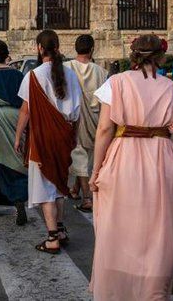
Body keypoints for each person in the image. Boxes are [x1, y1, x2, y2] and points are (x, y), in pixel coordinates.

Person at [89, 34, 173, 300]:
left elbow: (104, 130)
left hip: (122, 157)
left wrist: (95, 171)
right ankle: (152, 292)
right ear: (160, 57)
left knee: (117, 226)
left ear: (132, 55)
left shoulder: (115, 83)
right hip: (161, 160)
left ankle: (116, 291)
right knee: (158, 231)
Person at [14, 29, 82, 254]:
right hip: (65, 134)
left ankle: (52, 237)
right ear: (58, 47)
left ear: (39, 48)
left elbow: (25, 111)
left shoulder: (33, 76)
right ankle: (60, 229)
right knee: (60, 183)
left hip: (43, 136)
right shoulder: (70, 74)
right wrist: (74, 137)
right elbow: (78, 111)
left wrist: (18, 136)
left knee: (45, 186)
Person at [0, 39, 30, 226]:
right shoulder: (18, 75)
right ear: (7, 55)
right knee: (15, 161)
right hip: (17, 119)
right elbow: (26, 101)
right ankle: (19, 201)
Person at [68, 34, 106, 212]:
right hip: (94, 119)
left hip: (74, 118)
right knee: (84, 156)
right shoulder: (101, 71)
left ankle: (87, 198)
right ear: (92, 50)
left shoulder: (66, 67)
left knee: (79, 157)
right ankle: (76, 190)